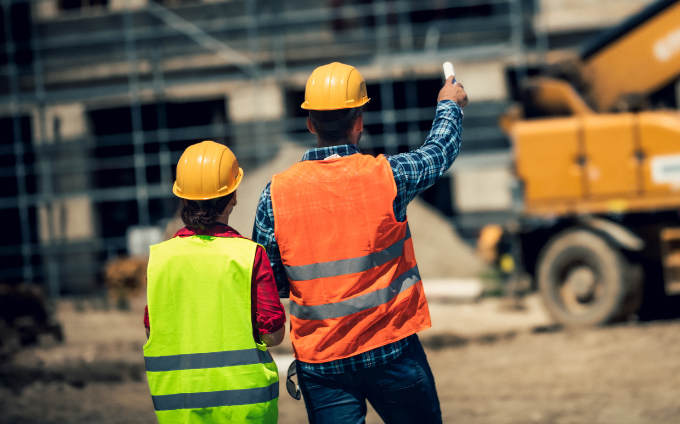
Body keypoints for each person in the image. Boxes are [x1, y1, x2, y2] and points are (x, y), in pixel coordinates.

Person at [253, 62, 468, 424]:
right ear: (359, 121)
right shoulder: (388, 177)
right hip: (392, 352)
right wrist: (449, 104)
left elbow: (270, 282)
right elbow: (439, 152)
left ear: (310, 124)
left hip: (322, 365)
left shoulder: (274, 196)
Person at [143, 140, 286, 423]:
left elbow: (153, 333)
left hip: (180, 410)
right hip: (245, 409)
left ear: (183, 199)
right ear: (232, 196)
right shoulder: (249, 256)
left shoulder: (160, 260)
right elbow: (274, 334)